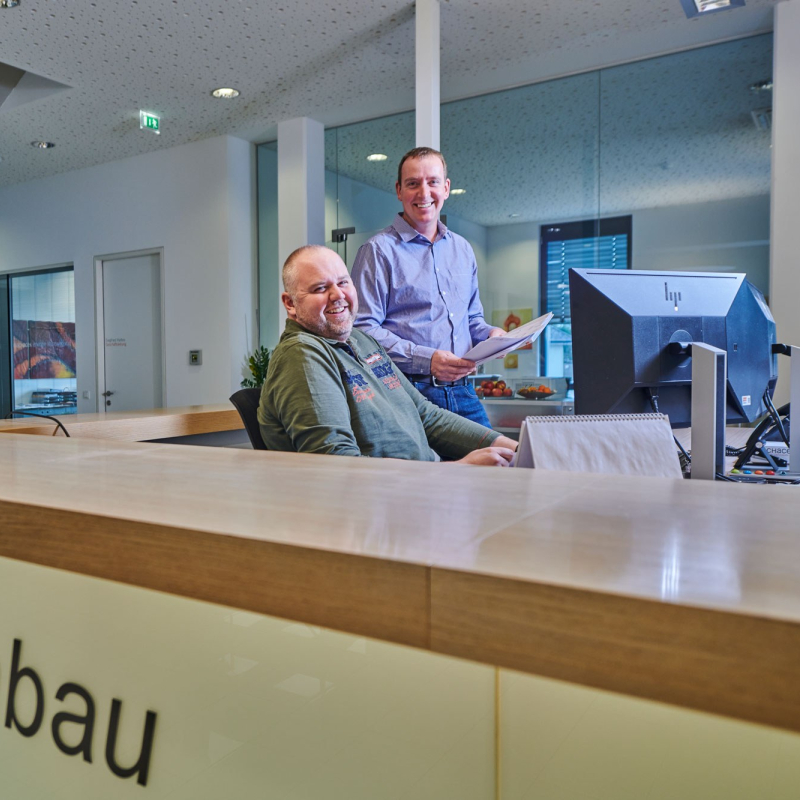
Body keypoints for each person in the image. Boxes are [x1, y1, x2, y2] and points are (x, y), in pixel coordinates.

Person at [258, 245, 517, 466]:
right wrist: (458, 470)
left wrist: (512, 447)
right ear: (290, 304)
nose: (338, 295)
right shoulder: (303, 354)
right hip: (376, 509)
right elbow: (334, 462)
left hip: (421, 491)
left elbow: (426, 414)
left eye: (343, 282)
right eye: (319, 288)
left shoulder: (361, 340)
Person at [350, 146, 504, 427]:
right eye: (413, 183)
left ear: (445, 188)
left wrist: (493, 336)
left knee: (500, 462)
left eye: (432, 182)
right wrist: (427, 360)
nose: (424, 193)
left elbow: (471, 320)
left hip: (465, 391)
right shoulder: (378, 251)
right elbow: (362, 332)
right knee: (428, 472)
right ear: (399, 190)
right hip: (408, 394)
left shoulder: (462, 249)